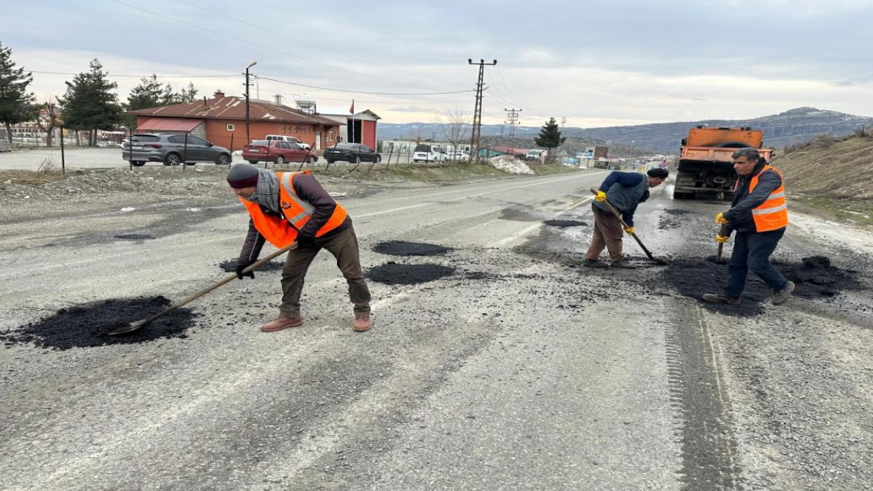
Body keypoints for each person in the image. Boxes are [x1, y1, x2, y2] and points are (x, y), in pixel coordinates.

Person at [227, 164, 372, 332]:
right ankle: (290, 315)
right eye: (234, 189)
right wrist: (246, 261)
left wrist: (307, 232)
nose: (237, 193)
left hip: (335, 230)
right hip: (304, 236)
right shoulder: (256, 197)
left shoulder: (296, 181)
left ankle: (362, 312)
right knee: (291, 273)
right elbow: (258, 227)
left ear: (257, 182)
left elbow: (327, 205)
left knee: (351, 273)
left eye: (240, 188)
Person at [702, 148, 794, 305]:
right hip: (747, 227)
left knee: (756, 263)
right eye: (735, 163)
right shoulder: (744, 177)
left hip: (768, 227)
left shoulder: (769, 175)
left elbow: (757, 198)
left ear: (754, 161)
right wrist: (728, 229)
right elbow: (738, 205)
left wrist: (729, 215)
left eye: (740, 163)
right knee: (737, 263)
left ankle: (783, 285)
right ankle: (731, 296)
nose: (736, 166)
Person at [584, 168, 669, 269]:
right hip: (606, 206)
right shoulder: (637, 178)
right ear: (656, 178)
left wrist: (629, 225)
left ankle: (591, 259)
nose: (661, 183)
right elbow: (615, 174)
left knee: (601, 234)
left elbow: (630, 209)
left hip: (607, 208)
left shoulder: (644, 192)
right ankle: (617, 260)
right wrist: (602, 191)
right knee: (615, 234)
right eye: (661, 181)